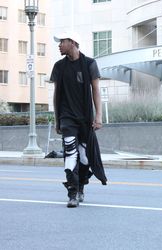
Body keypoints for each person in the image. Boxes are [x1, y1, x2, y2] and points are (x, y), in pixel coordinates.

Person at [50, 31, 107, 208]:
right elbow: (56, 94)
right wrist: (57, 119)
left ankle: (81, 185)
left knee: (84, 158)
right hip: (67, 118)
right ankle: (72, 193)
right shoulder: (59, 66)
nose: (59, 45)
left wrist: (98, 116)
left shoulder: (90, 63)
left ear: (73, 42)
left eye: (62, 41)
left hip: (85, 118)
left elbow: (96, 90)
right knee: (70, 154)